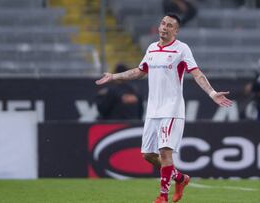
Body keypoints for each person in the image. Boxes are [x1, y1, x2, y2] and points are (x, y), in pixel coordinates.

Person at [96, 14, 232, 203]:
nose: (164, 27)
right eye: (162, 23)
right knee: (148, 155)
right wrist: (114, 76)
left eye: (169, 25)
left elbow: (197, 73)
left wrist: (212, 93)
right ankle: (180, 178)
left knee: (164, 152)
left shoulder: (182, 49)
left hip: (172, 110)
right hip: (153, 110)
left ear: (176, 30)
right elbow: (138, 71)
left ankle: (162, 197)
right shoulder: (152, 48)